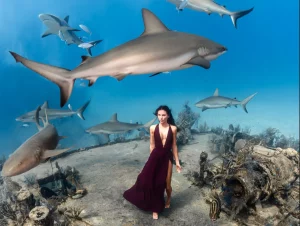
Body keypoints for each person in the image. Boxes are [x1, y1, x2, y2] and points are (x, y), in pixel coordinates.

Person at [123, 105, 182, 220]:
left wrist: (177, 162)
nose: (161, 117)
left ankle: (168, 199)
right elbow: (152, 145)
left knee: (166, 185)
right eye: (159, 115)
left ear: (168, 115)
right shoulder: (153, 128)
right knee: (146, 180)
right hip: (155, 156)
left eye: (163, 115)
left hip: (167, 157)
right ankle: (155, 208)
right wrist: (151, 161)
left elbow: (174, 146)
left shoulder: (173, 129)